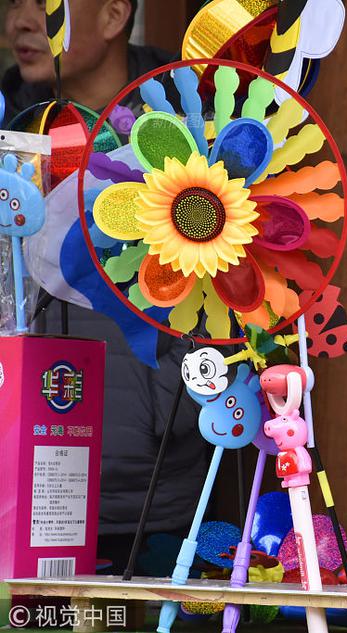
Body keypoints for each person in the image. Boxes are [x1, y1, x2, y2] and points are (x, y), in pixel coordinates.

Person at [2, 0, 207, 574]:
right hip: (15, 479)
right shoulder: (8, 133)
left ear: (116, 15)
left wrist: (176, 401)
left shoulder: (189, 134)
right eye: (12, 3)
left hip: (153, 491)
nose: (19, 20)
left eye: (43, 3)